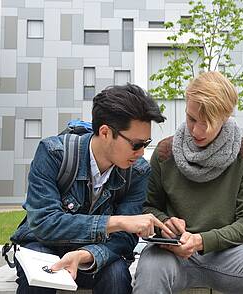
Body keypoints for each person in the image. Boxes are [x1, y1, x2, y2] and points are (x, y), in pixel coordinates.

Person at [133, 72, 243, 294]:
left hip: (229, 254)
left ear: (225, 116)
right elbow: (148, 207)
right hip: (171, 255)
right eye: (191, 119)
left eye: (207, 123)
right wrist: (166, 223)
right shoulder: (165, 152)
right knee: (150, 272)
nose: (196, 130)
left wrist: (202, 240)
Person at [10, 84, 173, 294]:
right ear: (105, 132)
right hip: (44, 245)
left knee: (116, 275)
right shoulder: (53, 154)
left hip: (95, 253)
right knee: (40, 279)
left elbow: (124, 239)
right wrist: (118, 222)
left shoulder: (138, 171)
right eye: (136, 144)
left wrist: (87, 255)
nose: (141, 153)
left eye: (146, 143)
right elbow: (44, 223)